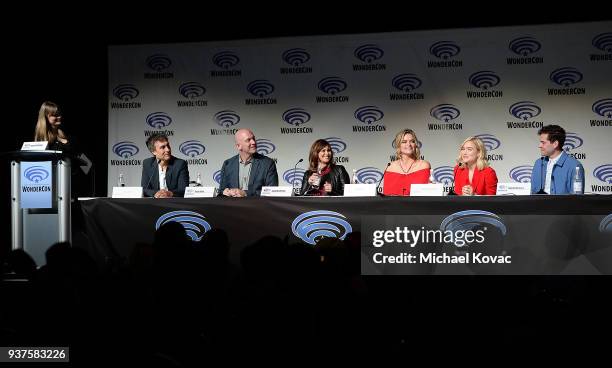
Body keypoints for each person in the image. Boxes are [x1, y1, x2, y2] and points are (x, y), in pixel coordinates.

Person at [218, 129, 278, 197]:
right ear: (238, 146)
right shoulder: (228, 164)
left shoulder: (267, 163)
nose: (253, 142)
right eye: (248, 140)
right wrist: (225, 192)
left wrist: (245, 193)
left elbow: (272, 191)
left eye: (253, 138)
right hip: (233, 206)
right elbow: (221, 190)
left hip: (258, 206)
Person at [530, 124, 584, 194]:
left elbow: (577, 199)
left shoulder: (575, 166)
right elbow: (532, 193)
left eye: (543, 143)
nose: (539, 146)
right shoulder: (538, 163)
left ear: (555, 144)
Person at [383, 129, 431, 196]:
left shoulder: (424, 165)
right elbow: (386, 197)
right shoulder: (390, 167)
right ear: (398, 145)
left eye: (412, 141)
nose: (408, 144)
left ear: (415, 145)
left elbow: (427, 195)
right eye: (404, 142)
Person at [141, 133, 189, 198]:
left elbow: (184, 190)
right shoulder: (147, 163)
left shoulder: (180, 164)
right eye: (162, 147)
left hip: (174, 203)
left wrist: (169, 193)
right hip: (154, 203)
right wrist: (156, 193)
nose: (168, 149)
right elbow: (144, 189)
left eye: (168, 145)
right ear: (153, 151)